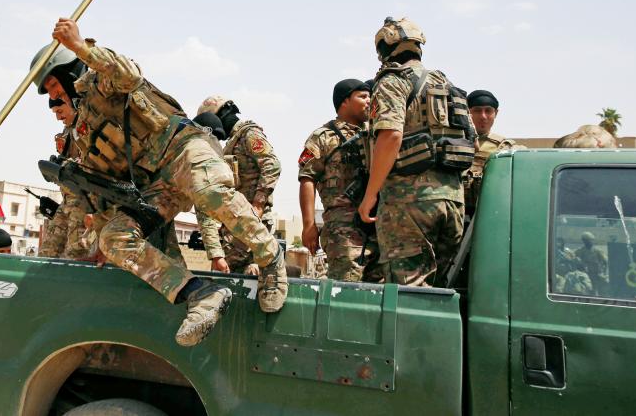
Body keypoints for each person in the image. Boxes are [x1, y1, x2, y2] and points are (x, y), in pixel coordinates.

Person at [33, 20, 287, 347]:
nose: (55, 100)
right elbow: (109, 184)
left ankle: (269, 257)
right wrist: (99, 221)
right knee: (114, 238)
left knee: (207, 188)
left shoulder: (102, 82)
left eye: (56, 89)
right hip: (157, 185)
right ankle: (200, 295)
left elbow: (129, 75)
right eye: (50, 96)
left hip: (182, 149)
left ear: (69, 73)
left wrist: (80, 46)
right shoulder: (82, 134)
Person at [358, 17, 472, 287]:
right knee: (441, 289)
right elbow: (470, 140)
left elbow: (390, 135)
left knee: (408, 292)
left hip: (408, 204)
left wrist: (370, 194)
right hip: (453, 202)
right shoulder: (446, 84)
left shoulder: (393, 81)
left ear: (385, 48)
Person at [298, 79, 383, 282]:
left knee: (378, 290)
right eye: (362, 96)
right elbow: (307, 178)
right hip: (343, 228)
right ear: (344, 101)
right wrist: (309, 225)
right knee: (346, 287)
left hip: (376, 224)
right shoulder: (324, 136)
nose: (369, 101)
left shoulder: (376, 133)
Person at [194, 96, 281, 275]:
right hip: (237, 221)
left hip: (251, 220)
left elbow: (272, 164)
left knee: (225, 277)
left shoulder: (249, 134)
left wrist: (258, 203)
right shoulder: (232, 142)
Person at [39, 97, 93, 260]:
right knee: (47, 253)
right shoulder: (67, 131)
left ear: (73, 105)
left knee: (76, 254)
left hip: (84, 204)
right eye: (55, 113)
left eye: (60, 111)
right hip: (67, 201)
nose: (58, 117)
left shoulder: (86, 128)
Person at [464, 90, 517, 214]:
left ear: (496, 113)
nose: (483, 116)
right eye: (477, 110)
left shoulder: (504, 147)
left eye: (488, 111)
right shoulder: (455, 143)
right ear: (467, 112)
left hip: (488, 213)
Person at [576, 231, 608, 296]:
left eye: (589, 240)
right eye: (585, 240)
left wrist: (604, 273)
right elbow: (574, 258)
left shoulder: (598, 251)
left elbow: (606, 262)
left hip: (597, 275)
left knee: (597, 292)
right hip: (586, 275)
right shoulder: (581, 251)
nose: (587, 242)